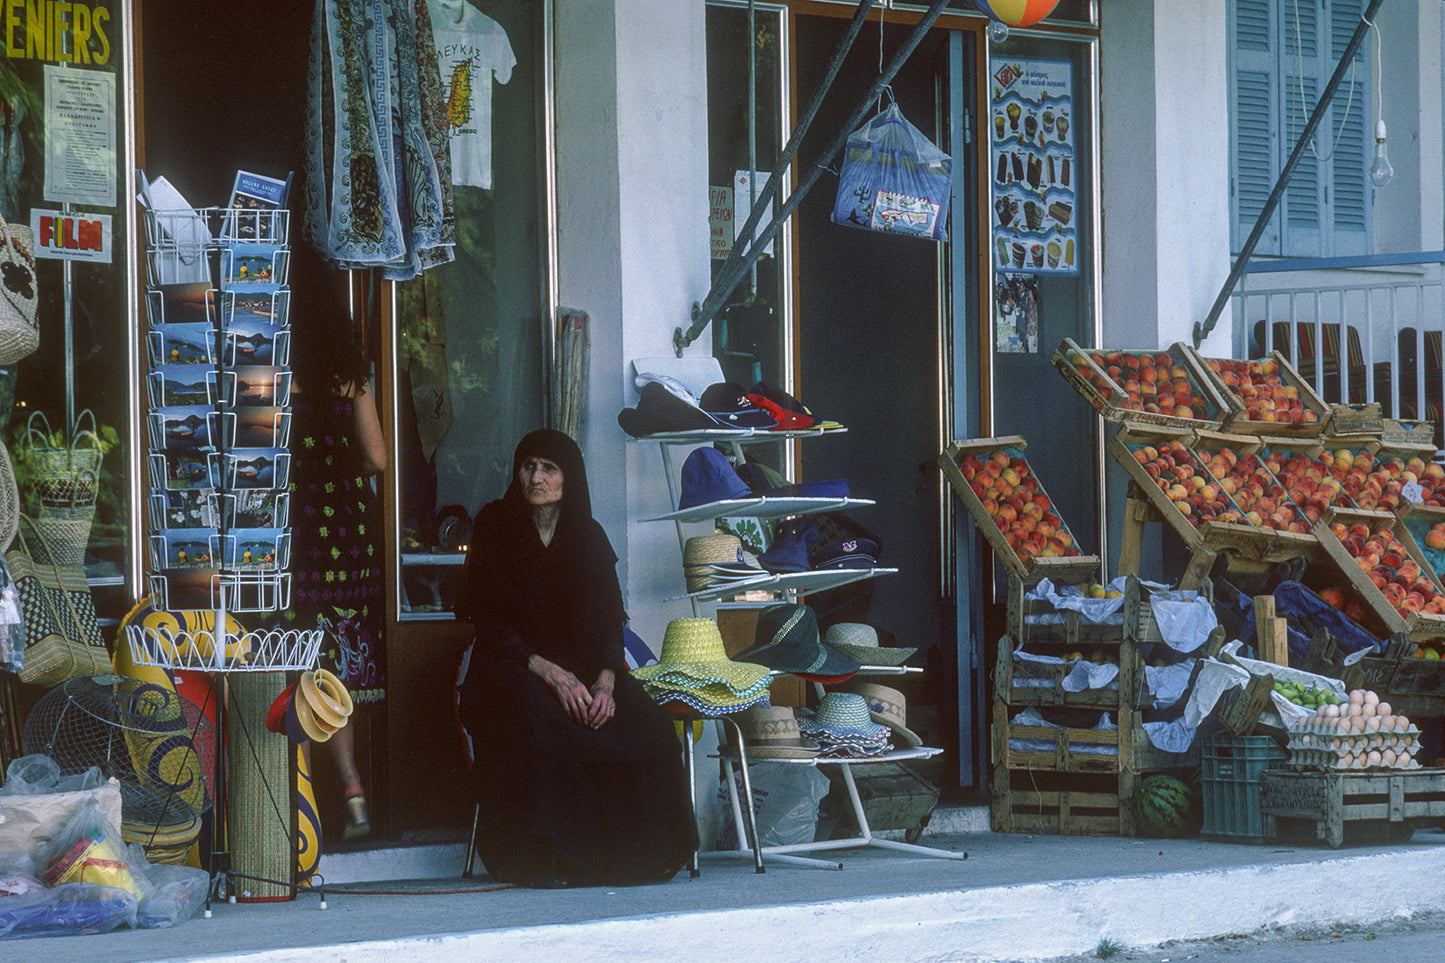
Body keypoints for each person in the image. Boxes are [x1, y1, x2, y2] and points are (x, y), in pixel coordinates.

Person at [456, 429, 697, 888]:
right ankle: (549, 859)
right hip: (512, 665)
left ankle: (639, 858)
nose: (536, 478)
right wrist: (548, 671)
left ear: (570, 478)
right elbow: (487, 619)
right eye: (528, 466)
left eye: (549, 468)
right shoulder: (494, 524)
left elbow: (610, 619)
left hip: (588, 667)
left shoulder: (588, 533)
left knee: (645, 721)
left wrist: (607, 681)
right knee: (543, 718)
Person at [268, 239, 387, 841]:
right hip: (346, 534)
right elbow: (378, 456)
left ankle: (297, 798)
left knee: (292, 656)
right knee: (336, 663)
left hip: (293, 533)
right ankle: (354, 790)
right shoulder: (352, 376)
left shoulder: (276, 376)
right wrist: (339, 475)